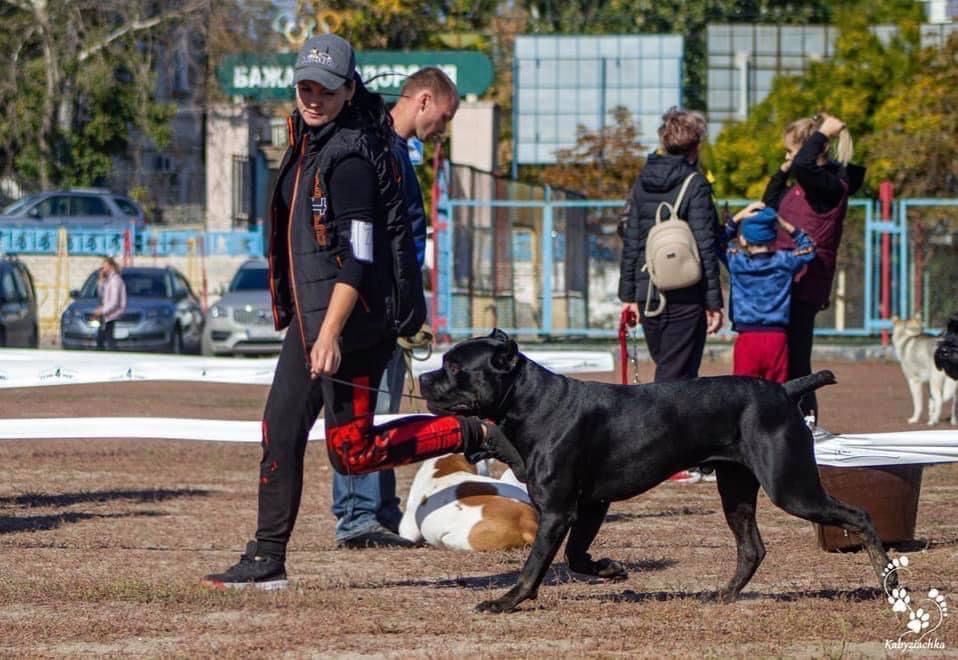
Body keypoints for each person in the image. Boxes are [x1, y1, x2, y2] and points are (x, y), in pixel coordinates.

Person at [202, 34, 520, 590]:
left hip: (348, 326)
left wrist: (330, 332)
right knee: (280, 432)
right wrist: (313, 327)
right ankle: (267, 555)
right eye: (304, 87)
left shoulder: (350, 155)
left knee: (352, 453)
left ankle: (474, 432)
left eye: (324, 89)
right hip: (313, 323)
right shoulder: (311, 142)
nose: (312, 98)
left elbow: (360, 254)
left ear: (349, 89)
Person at [331, 67, 459, 548]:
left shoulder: (399, 152)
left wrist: (410, 306)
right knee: (360, 412)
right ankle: (357, 516)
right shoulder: (373, 146)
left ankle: (381, 508)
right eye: (443, 117)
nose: (441, 129)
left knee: (383, 409)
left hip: (390, 304)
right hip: (367, 301)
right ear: (424, 100)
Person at [618, 107, 724, 484]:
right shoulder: (694, 184)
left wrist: (628, 294)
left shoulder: (643, 181)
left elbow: (632, 240)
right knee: (676, 378)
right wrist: (714, 301)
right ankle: (667, 458)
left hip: (649, 291)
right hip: (686, 291)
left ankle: (673, 454)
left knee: (669, 368)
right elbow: (705, 246)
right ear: (695, 145)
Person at [762, 112, 865, 422]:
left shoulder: (829, 185)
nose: (788, 156)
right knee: (779, 355)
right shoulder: (800, 186)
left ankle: (805, 422)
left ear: (809, 151)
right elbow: (770, 204)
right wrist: (780, 173)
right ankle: (782, 422)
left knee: (796, 360)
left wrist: (823, 134)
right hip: (781, 280)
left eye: (791, 150)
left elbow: (806, 166)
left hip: (805, 279)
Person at [720, 204, 816, 383]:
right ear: (772, 238)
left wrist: (738, 217)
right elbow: (809, 248)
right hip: (777, 338)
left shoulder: (737, 262)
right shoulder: (785, 261)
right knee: (777, 394)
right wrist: (783, 223)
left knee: (743, 392)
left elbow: (717, 240)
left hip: (747, 338)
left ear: (744, 240)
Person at [93, 256, 126, 351]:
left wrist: (102, 311)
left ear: (110, 267)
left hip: (112, 314)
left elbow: (114, 302)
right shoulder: (109, 280)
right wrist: (101, 281)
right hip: (107, 314)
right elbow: (101, 294)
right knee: (102, 339)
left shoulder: (115, 281)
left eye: (104, 267)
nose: (103, 269)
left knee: (107, 339)